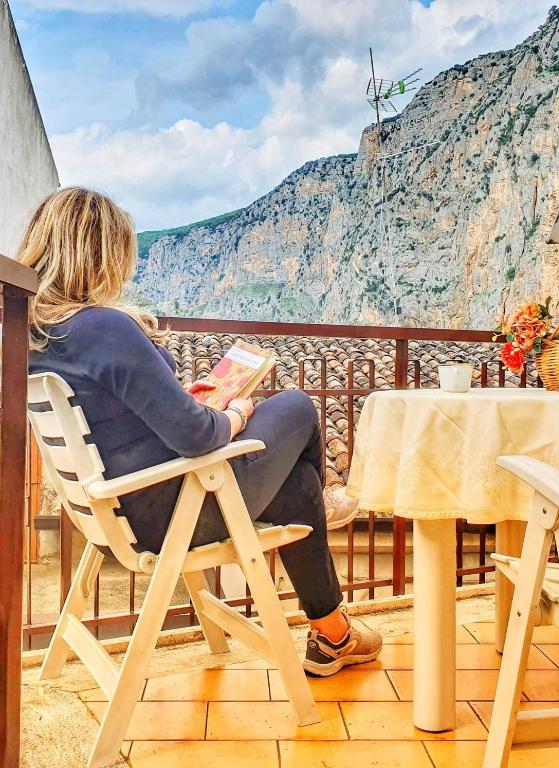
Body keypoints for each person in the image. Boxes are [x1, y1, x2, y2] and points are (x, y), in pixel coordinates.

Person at [20, 187, 381, 677]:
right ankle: (329, 499)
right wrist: (235, 410)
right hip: (176, 512)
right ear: (100, 254)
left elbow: (117, 418)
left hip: (114, 513)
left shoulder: (36, 336)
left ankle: (333, 634)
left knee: (296, 483)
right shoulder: (103, 326)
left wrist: (180, 398)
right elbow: (197, 439)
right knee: (294, 405)